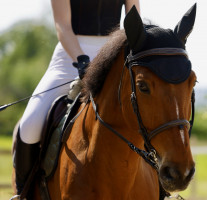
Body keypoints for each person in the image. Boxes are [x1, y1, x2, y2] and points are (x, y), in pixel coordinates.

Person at [12, 0, 140, 198]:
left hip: (113, 53)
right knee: (29, 125)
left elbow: (135, 23)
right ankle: (23, 193)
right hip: (70, 56)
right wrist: (81, 59)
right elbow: (62, 25)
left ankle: (160, 186)